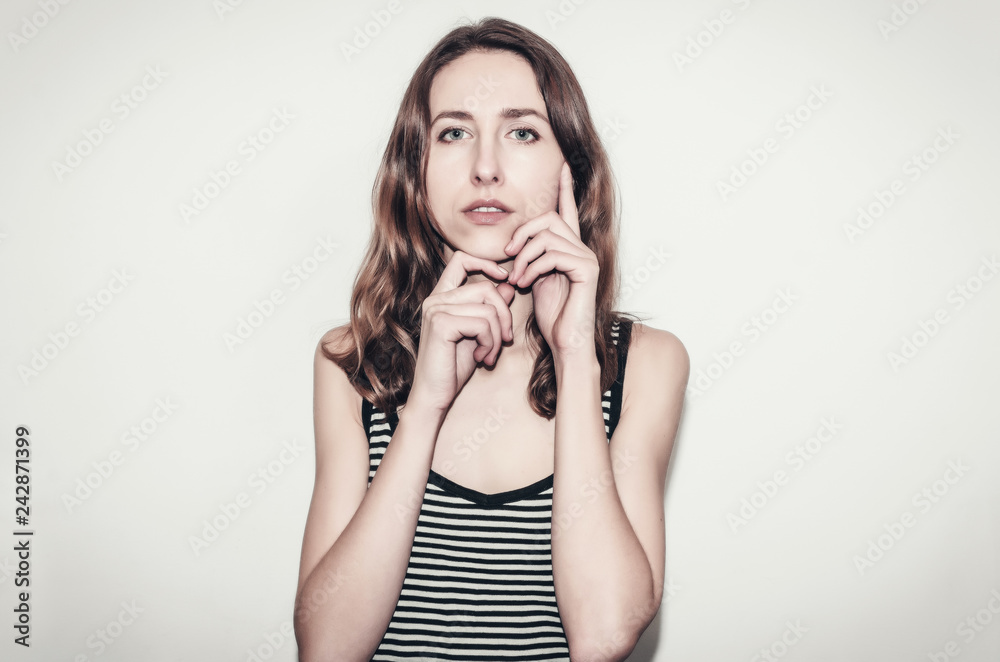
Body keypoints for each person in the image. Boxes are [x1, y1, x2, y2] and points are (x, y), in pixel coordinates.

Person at [293, 16, 688, 662]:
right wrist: (423, 408)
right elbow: (327, 649)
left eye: (522, 132)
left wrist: (575, 358)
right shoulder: (351, 364)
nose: (484, 168)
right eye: (453, 133)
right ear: (415, 172)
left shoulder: (646, 364)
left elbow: (605, 635)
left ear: (573, 166)